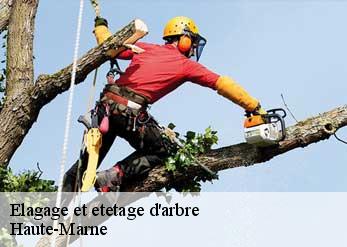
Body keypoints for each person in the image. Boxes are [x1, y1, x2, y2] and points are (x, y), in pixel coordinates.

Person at [62, 16, 266, 192]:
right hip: (129, 114)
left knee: (85, 164)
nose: (193, 48)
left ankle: (54, 209)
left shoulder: (146, 47)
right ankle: (114, 175)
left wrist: (100, 26)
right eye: (192, 42)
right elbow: (222, 83)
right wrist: (253, 106)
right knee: (162, 151)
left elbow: (108, 46)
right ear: (184, 38)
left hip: (105, 109)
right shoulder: (186, 65)